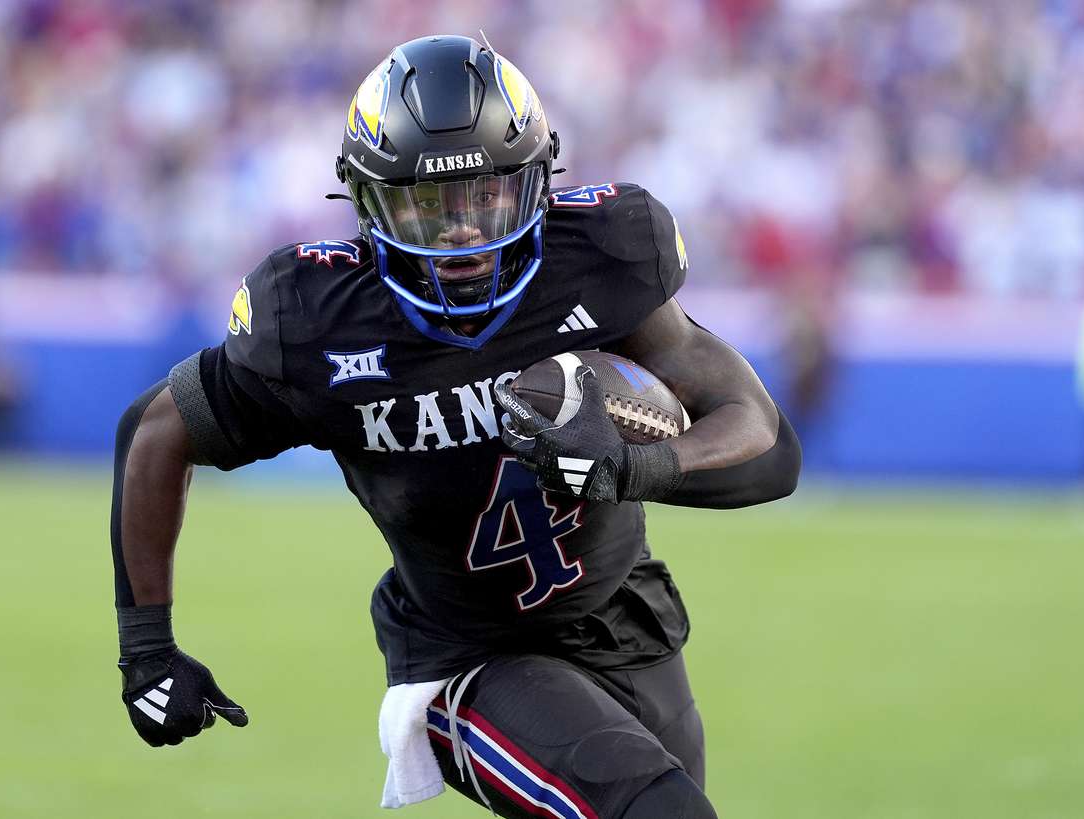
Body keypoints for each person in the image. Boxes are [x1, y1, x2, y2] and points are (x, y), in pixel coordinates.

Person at [110, 35, 800, 819]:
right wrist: (146, 648)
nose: (463, 230)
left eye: (486, 195)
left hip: (622, 616)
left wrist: (640, 466)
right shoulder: (317, 319)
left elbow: (761, 435)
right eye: (427, 206)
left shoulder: (599, 258)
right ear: (369, 201)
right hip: (468, 661)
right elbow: (156, 432)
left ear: (537, 181)